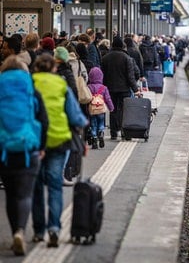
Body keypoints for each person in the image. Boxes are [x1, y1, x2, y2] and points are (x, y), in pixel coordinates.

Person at [31, 54, 88, 248]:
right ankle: (54, 228)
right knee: (55, 185)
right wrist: (82, 124)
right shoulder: (61, 85)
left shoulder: (30, 83)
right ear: (54, 68)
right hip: (58, 140)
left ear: (36, 68)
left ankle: (38, 231)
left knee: (37, 187)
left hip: (35, 141)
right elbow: (75, 116)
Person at [0, 55, 48, 256]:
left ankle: (14, 233)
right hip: (28, 148)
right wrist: (42, 146)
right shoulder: (31, 91)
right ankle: (21, 230)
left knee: (11, 193)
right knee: (25, 193)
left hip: (3, 149)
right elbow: (43, 121)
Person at [101, 36, 140, 140]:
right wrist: (136, 90)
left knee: (112, 110)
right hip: (124, 89)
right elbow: (130, 76)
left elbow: (102, 75)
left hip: (110, 89)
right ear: (122, 46)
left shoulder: (105, 58)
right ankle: (124, 132)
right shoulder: (127, 58)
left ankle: (113, 132)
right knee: (124, 110)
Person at [87, 67, 114, 149]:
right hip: (101, 110)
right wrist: (111, 107)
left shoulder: (89, 87)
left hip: (92, 109)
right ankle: (101, 132)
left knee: (93, 124)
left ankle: (94, 138)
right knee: (101, 123)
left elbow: (87, 98)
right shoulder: (104, 88)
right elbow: (108, 99)